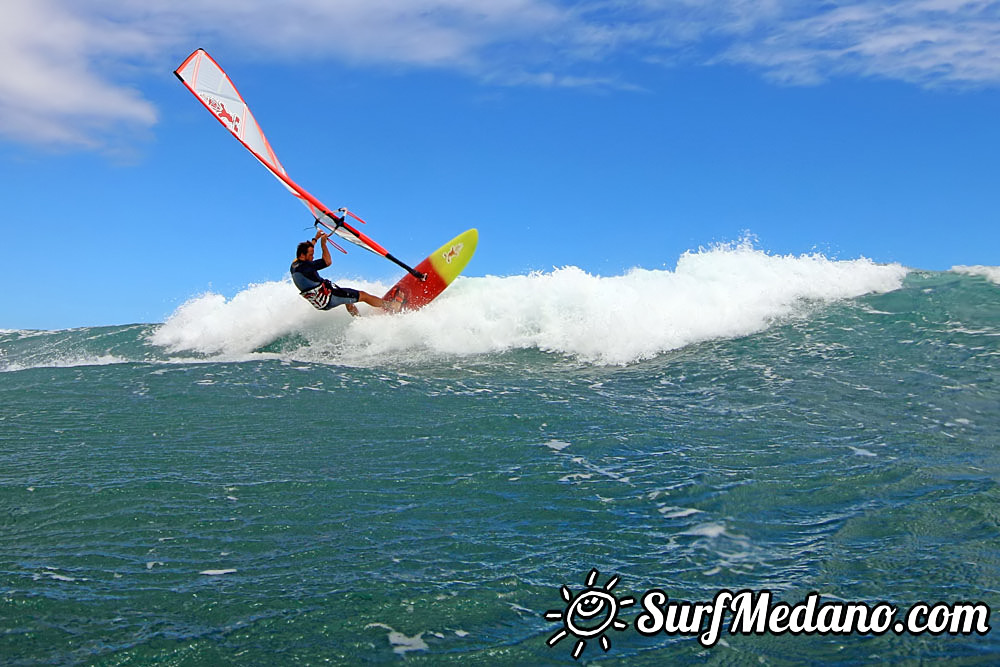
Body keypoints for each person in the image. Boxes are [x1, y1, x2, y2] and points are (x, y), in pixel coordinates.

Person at [291, 230, 398, 316]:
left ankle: (358, 321)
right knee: (363, 295)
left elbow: (307, 250)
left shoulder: (294, 265)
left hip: (321, 299)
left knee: (348, 300)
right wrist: (323, 244)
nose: (313, 257)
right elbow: (327, 262)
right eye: (310, 255)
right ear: (302, 255)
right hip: (328, 298)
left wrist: (315, 239)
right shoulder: (307, 267)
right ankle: (391, 306)